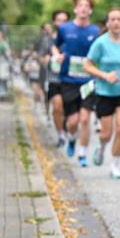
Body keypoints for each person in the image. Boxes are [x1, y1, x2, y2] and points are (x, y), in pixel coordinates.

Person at [53, 0, 101, 167]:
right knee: (72, 122)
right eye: (80, 6)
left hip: (88, 81)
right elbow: (55, 47)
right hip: (69, 80)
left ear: (90, 11)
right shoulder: (64, 28)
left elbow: (98, 54)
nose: (83, 9)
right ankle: (72, 139)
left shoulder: (95, 31)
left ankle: (82, 153)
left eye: (87, 6)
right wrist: (57, 56)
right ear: (75, 9)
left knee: (85, 118)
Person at [85, 8, 120, 179]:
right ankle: (102, 147)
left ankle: (114, 165)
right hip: (104, 92)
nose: (116, 22)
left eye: (119, 19)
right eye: (112, 19)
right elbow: (88, 65)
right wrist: (104, 75)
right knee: (106, 133)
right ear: (107, 23)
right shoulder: (100, 43)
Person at [45, 11, 70, 146]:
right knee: (57, 106)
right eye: (59, 20)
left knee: (67, 109)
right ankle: (61, 134)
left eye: (65, 20)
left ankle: (67, 129)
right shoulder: (49, 39)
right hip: (54, 79)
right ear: (54, 22)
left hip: (69, 79)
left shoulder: (72, 38)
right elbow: (40, 57)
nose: (62, 23)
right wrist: (47, 59)